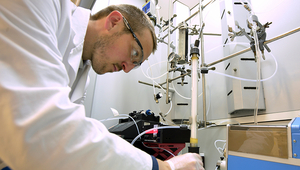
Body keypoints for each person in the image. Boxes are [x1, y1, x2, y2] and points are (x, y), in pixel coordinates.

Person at [0, 0, 204, 170]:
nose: (126, 68)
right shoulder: (42, 6)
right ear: (114, 22)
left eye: (135, 65)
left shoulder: (82, 74)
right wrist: (165, 167)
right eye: (134, 53)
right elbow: (43, 133)